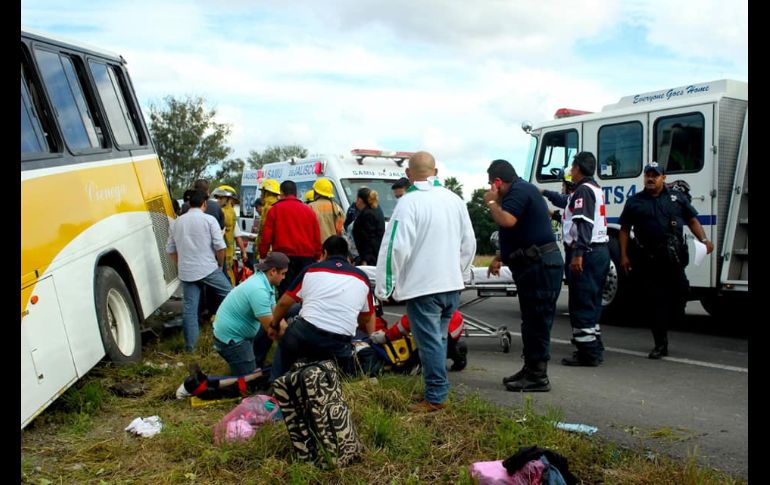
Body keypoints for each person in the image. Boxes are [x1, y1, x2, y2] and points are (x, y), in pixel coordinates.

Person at [375, 151, 476, 412]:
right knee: (439, 340)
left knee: (430, 342)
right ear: (436, 172)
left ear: (409, 175)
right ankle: (437, 391)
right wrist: (460, 272)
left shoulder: (409, 203)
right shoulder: (455, 200)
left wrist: (385, 287)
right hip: (451, 285)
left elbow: (394, 247)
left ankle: (436, 396)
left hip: (424, 287)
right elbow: (470, 243)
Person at [619, 162, 713, 359]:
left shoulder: (676, 199)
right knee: (654, 302)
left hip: (672, 258)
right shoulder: (635, 202)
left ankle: (673, 317)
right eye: (648, 175)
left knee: (681, 293)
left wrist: (704, 239)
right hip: (648, 259)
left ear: (664, 178)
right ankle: (660, 343)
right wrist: (624, 255)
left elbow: (693, 220)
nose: (651, 178)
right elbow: (625, 229)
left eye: (655, 175)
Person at [485, 159, 563, 392]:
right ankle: (530, 369)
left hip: (539, 265)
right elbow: (521, 232)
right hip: (534, 263)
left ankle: (538, 376)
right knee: (531, 321)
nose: (490, 189)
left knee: (537, 321)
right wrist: (501, 256)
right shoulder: (522, 190)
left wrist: (491, 203)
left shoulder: (518, 191)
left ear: (498, 182)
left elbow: (508, 221)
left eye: (491, 184)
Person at [269, 236, 375, 380]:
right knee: (337, 376)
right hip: (340, 344)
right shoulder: (362, 277)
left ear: (324, 253)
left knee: (286, 345)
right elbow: (366, 317)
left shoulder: (312, 270)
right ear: (347, 255)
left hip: (306, 335)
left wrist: (274, 324)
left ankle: (275, 386)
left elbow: (283, 303)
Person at [541, 152, 609, 366]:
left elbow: (583, 224)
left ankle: (588, 353)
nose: (570, 170)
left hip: (587, 253)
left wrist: (578, 255)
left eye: (572, 166)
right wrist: (544, 192)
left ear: (578, 168)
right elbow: (566, 202)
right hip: (599, 252)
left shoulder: (583, 191)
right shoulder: (593, 188)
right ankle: (594, 346)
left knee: (581, 302)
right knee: (592, 301)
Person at [166, 190, 232, 352]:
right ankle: (234, 333)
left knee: (190, 310)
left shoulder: (177, 222)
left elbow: (170, 249)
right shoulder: (209, 220)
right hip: (208, 268)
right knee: (232, 296)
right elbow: (220, 247)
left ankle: (191, 348)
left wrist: (180, 263)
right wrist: (220, 265)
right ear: (204, 204)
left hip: (187, 272)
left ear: (189, 204)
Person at [212, 252, 289, 375]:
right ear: (273, 271)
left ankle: (254, 364)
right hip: (231, 340)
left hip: (237, 335)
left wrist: (287, 329)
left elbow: (276, 312)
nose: (284, 277)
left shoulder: (266, 283)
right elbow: (271, 329)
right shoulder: (259, 290)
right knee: (250, 383)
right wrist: (291, 345)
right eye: (283, 273)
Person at [258, 180, 322, 296]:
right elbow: (316, 237)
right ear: (296, 193)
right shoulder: (309, 210)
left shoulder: (275, 210)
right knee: (303, 291)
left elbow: (266, 236)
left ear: (281, 193)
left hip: (283, 257)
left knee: (285, 292)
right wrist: (317, 256)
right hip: (306, 258)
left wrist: (263, 255)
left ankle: (285, 314)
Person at [212, 185, 248, 286]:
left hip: (227, 254)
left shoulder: (228, 215)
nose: (218, 200)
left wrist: (243, 252)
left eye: (221, 198)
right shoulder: (221, 213)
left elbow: (237, 236)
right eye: (217, 198)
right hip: (220, 254)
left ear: (229, 199)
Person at [352, 187, 385, 266]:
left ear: (360, 200)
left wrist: (365, 259)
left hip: (370, 259)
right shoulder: (375, 209)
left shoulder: (368, 214)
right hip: (374, 255)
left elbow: (368, 239)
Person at [308, 178, 345, 243]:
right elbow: (340, 230)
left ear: (316, 192)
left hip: (318, 246)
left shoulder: (310, 207)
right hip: (333, 246)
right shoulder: (337, 207)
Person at [255, 178, 281, 256]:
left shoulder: (268, 208)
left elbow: (265, 232)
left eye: (262, 192)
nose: (260, 195)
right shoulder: (278, 205)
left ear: (266, 193)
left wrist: (262, 252)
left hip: (269, 251)